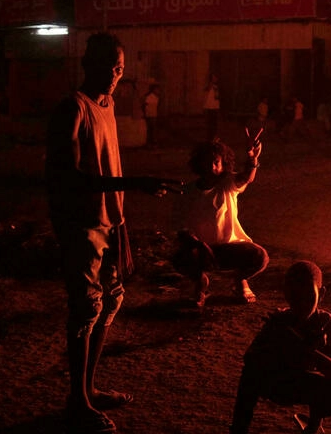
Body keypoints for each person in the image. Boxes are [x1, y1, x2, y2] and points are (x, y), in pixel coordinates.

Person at [46, 32, 181, 434]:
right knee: (86, 310)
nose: (113, 76)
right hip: (80, 225)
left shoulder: (109, 105)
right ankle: (77, 402)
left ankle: (88, 389)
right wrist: (132, 184)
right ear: (87, 64)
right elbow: (68, 177)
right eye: (107, 67)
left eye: (119, 69)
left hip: (110, 223)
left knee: (112, 302)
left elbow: (109, 165)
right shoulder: (72, 109)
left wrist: (121, 223)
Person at [229, 261, 331, 434]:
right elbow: (249, 358)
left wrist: (310, 350)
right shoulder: (280, 321)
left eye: (308, 297)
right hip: (277, 383)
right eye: (294, 297)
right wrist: (276, 341)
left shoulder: (326, 323)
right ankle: (239, 429)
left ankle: (313, 427)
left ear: (321, 294)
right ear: (286, 294)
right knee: (250, 373)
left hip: (301, 382)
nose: (301, 304)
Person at [174, 139, 268, 306]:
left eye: (216, 162)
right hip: (202, 250)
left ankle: (239, 280)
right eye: (207, 162)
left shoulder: (228, 184)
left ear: (224, 164)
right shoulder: (188, 192)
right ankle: (200, 284)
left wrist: (252, 158)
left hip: (231, 248)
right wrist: (193, 242)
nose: (212, 167)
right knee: (179, 258)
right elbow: (180, 227)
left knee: (260, 256)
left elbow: (247, 178)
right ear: (198, 164)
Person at [204, 73, 221, 142]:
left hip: (215, 107)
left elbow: (217, 97)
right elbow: (206, 89)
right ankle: (209, 138)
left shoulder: (217, 87)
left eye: (216, 78)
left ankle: (214, 138)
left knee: (214, 124)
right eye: (213, 78)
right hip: (209, 107)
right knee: (209, 124)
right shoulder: (209, 86)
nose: (215, 79)